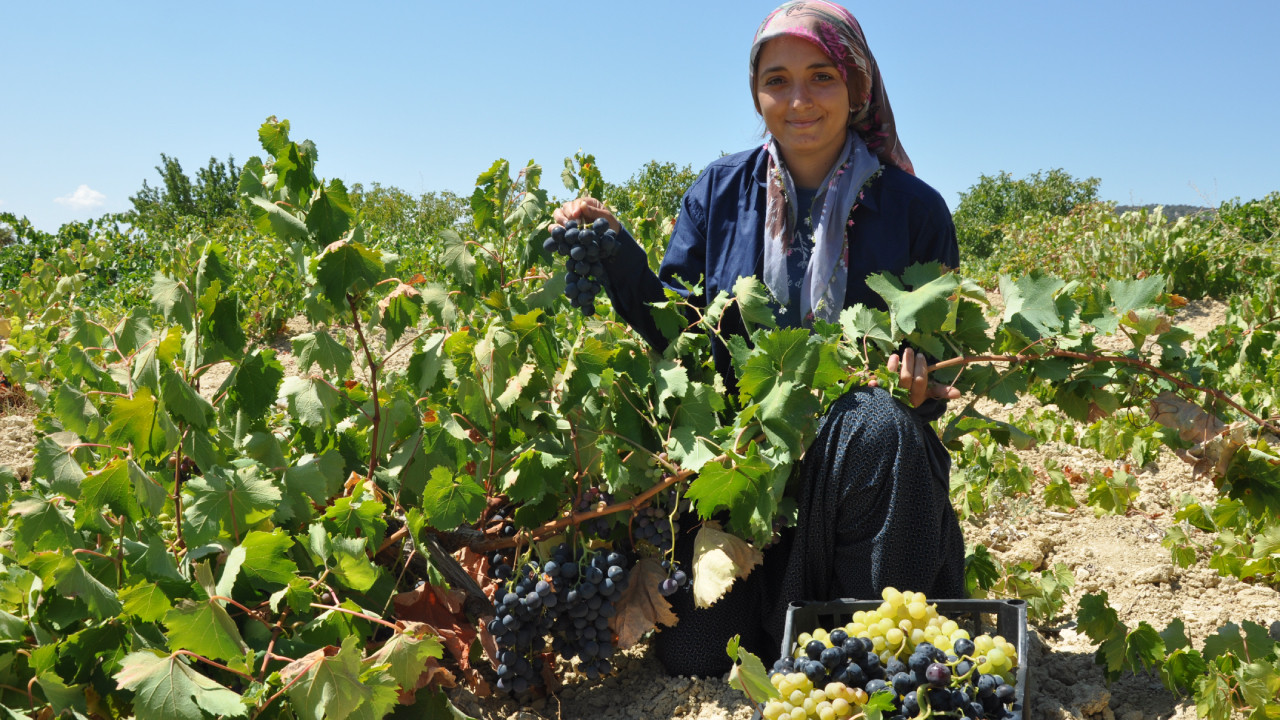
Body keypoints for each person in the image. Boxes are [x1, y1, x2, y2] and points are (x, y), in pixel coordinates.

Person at [552, 0, 966, 676]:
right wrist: (620, 254)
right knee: (694, 655)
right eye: (777, 80)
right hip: (745, 470)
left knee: (878, 424)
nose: (798, 99)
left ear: (858, 85)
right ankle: (791, 615)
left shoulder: (914, 209)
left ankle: (873, 636)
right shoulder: (717, 193)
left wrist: (917, 390)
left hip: (862, 476)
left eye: (822, 77)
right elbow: (678, 332)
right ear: (756, 92)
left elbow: (942, 369)